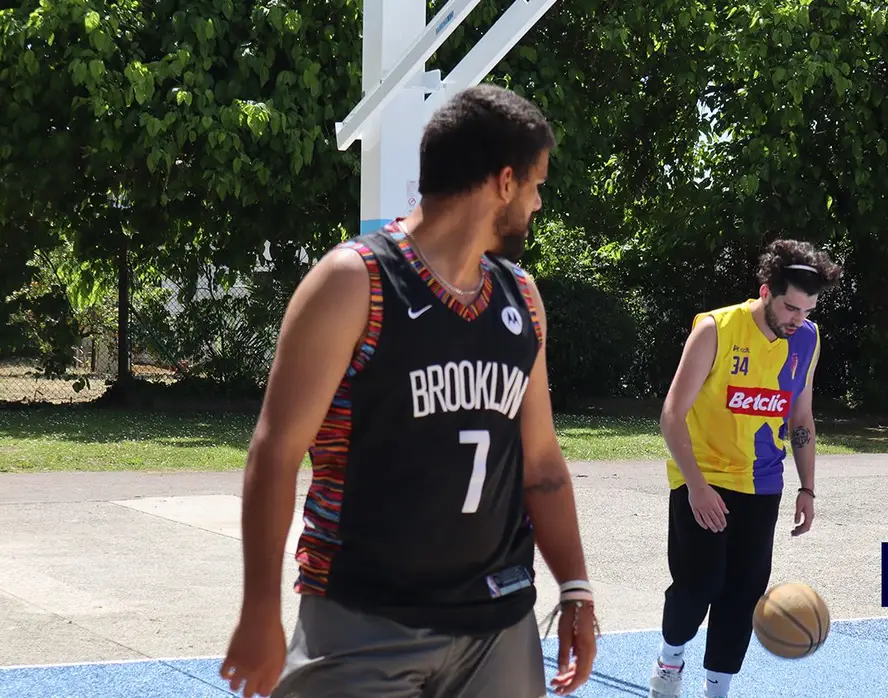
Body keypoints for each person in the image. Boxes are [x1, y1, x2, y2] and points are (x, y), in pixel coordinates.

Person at [217, 84, 597, 698]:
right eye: (535, 184)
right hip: (366, 618)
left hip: (497, 625)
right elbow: (275, 451)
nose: (537, 202)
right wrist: (259, 610)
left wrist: (575, 586)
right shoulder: (353, 282)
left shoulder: (522, 298)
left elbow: (543, 461)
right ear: (503, 182)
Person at [648, 239, 841, 698]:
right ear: (765, 292)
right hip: (704, 475)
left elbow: (800, 418)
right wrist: (695, 486)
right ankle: (670, 661)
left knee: (742, 593)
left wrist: (807, 488)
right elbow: (672, 415)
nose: (799, 319)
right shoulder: (715, 329)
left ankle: (718, 689)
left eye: (808, 311)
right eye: (792, 307)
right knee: (698, 586)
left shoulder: (807, 342)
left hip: (762, 482)